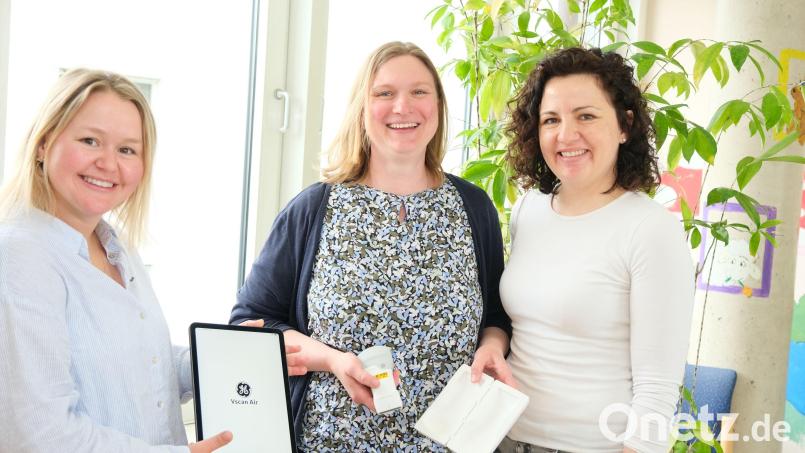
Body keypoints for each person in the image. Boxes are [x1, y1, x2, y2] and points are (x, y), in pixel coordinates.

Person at [230, 41, 514, 451]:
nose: (403, 107)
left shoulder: (474, 208)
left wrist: (491, 347)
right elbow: (250, 324)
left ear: (438, 105)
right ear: (362, 109)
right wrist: (331, 359)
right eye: (384, 93)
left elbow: (495, 316)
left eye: (419, 92)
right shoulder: (314, 209)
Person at [0, 69, 235, 452]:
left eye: (127, 149)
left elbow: (137, 371)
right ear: (43, 144)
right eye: (91, 140)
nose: (108, 164)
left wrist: (220, 356)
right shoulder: (19, 256)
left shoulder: (115, 245)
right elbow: (39, 434)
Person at [499, 47, 695, 453]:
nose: (566, 135)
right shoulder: (529, 209)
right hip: (506, 438)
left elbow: (657, 389)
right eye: (551, 119)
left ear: (625, 125)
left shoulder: (649, 229)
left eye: (586, 116)